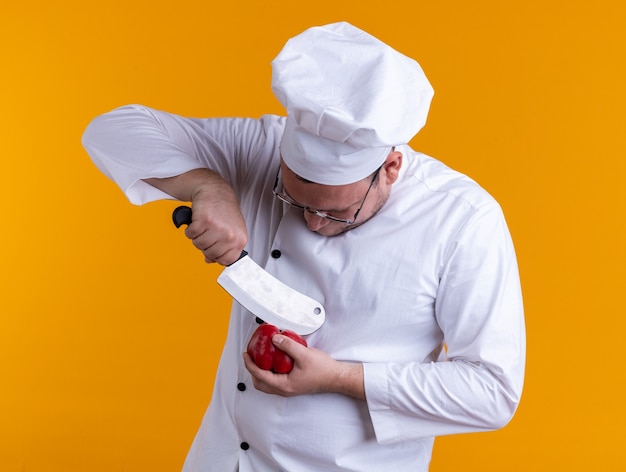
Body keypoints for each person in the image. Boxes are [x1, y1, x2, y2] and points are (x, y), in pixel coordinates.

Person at [82, 21, 525, 472]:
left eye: (336, 212)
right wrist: (207, 186)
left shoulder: (463, 221)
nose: (312, 223)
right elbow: (113, 129)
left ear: (390, 167)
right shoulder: (261, 148)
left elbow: (493, 392)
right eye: (293, 200)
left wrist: (341, 378)